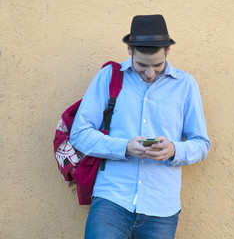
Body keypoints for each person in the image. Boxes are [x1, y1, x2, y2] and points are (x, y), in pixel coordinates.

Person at [70, 14, 210, 239]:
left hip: (162, 207)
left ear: (168, 51)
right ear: (129, 50)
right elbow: (79, 134)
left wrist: (175, 150)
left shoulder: (186, 85)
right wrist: (124, 147)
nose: (150, 73)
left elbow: (202, 143)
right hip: (111, 200)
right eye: (142, 65)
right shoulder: (108, 77)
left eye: (157, 65)